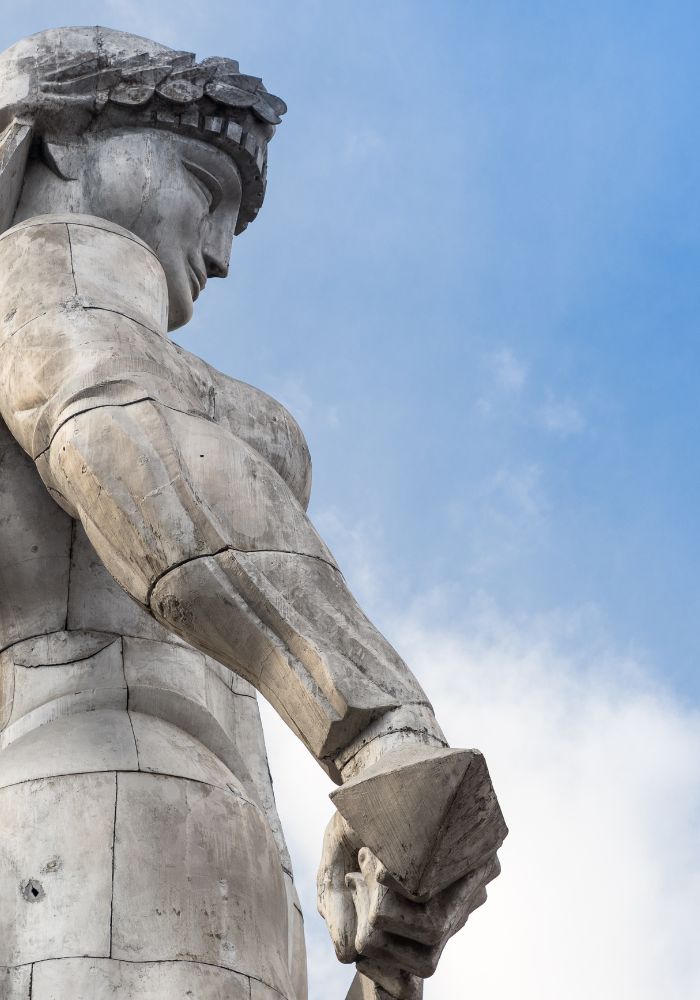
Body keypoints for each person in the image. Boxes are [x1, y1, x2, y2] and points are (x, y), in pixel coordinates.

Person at [0, 27, 502, 1000]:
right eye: (203, 180)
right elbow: (114, 433)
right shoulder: (52, 290)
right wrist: (379, 727)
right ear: (57, 141)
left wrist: (384, 966)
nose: (221, 251)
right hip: (110, 842)